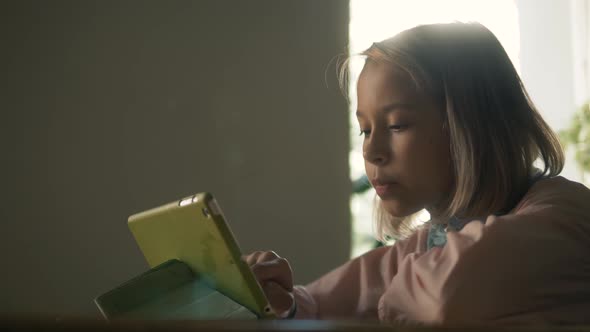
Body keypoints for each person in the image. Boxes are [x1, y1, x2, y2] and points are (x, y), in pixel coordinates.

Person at [243, 22, 590, 325]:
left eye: (397, 125)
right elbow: (319, 305)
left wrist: (384, 298)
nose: (369, 150)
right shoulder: (434, 238)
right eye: (365, 130)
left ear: (471, 128)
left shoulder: (565, 216)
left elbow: (444, 297)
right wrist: (283, 302)